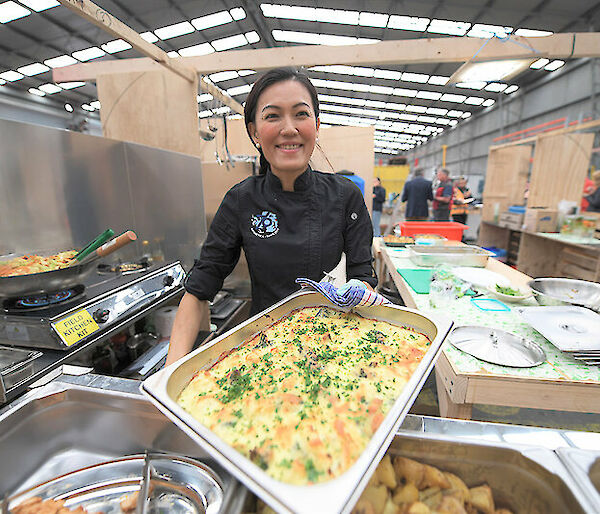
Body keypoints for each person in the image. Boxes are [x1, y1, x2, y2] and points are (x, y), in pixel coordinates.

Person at [166, 67, 377, 365]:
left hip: (330, 349)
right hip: (262, 351)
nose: (288, 128)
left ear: (316, 125)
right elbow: (199, 287)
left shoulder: (345, 197)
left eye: (301, 114)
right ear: (253, 130)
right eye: (272, 115)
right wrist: (170, 371)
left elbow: (363, 280)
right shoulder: (241, 200)